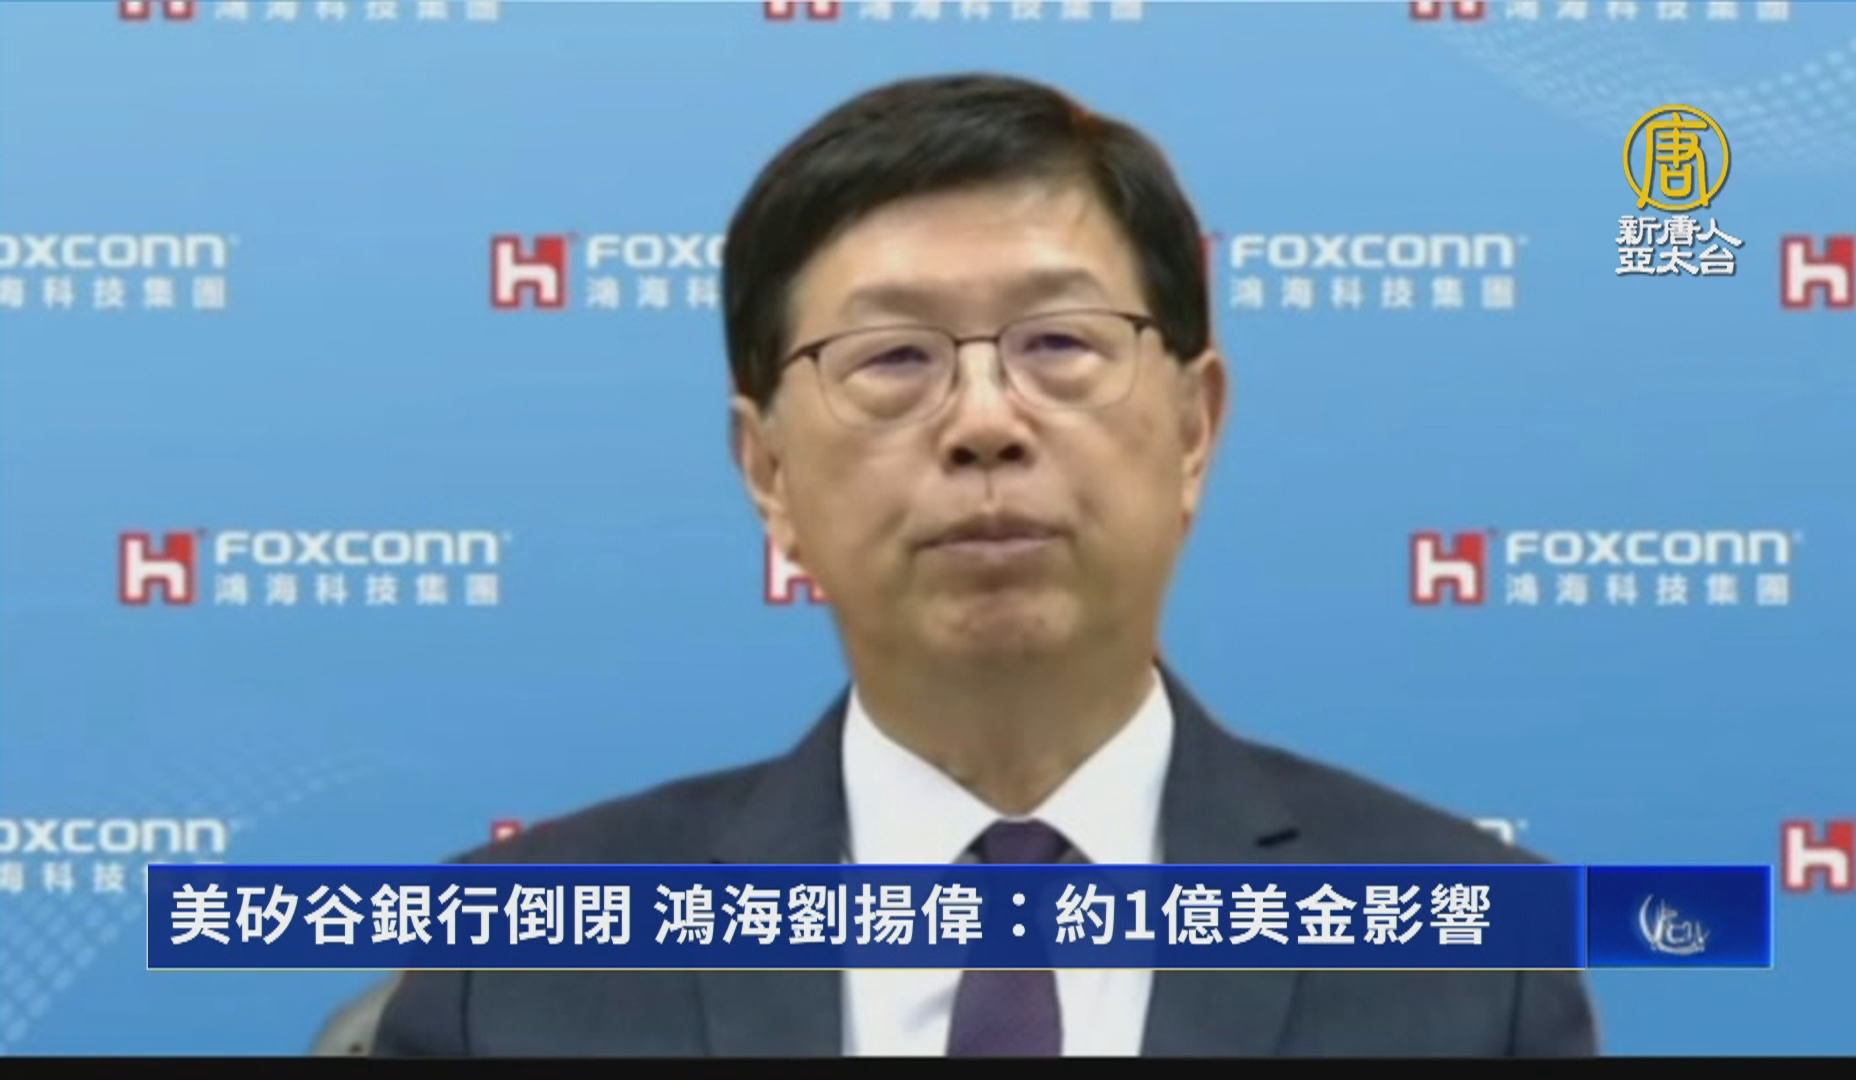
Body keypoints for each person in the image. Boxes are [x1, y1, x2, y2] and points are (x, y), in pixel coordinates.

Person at [369, 72, 1600, 1057]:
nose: (984, 421)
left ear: (1193, 428)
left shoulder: (1471, 953)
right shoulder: (518, 965)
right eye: (894, 359)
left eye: (1057, 343)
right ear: (768, 472)